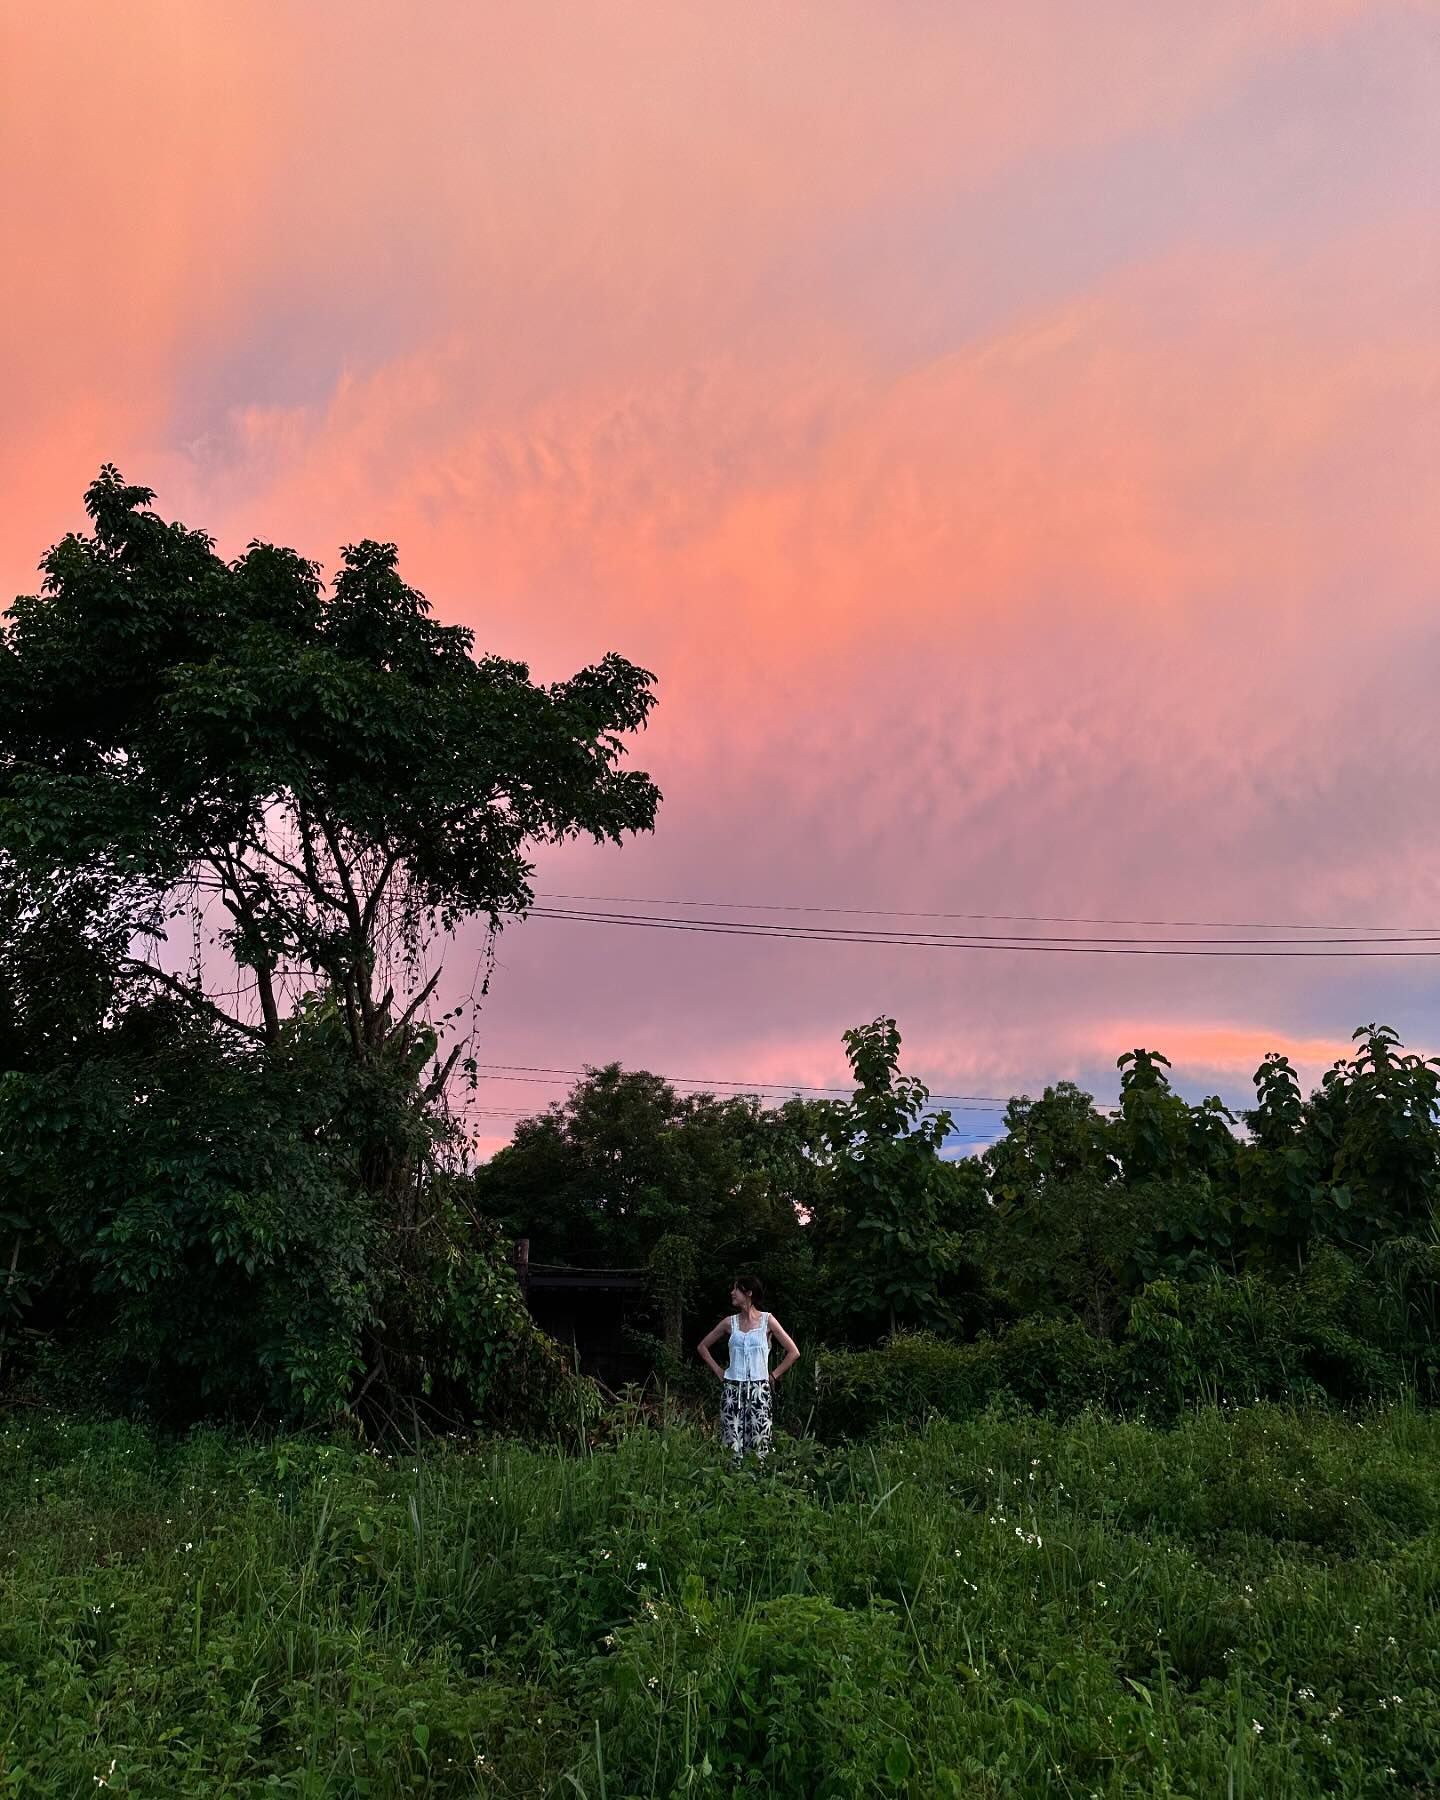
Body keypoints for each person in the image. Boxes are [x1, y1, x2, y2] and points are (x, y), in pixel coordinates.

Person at [696, 1276, 799, 1466]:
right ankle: (732, 1487)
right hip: (733, 1391)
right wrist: (719, 1371)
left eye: (736, 1289)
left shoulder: (767, 1320)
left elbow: (793, 1352)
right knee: (731, 1443)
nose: (732, 1293)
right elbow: (702, 1347)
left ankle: (757, 1486)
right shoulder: (729, 1323)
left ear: (749, 1293)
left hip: (760, 1390)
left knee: (760, 1442)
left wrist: (773, 1375)